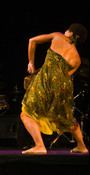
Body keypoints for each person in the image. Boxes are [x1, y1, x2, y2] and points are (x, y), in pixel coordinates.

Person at [21, 23, 88, 154]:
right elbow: (66, 76)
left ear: (70, 34)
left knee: (26, 113)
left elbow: (32, 41)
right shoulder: (77, 59)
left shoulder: (58, 36)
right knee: (66, 117)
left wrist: (31, 62)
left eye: (67, 30)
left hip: (48, 81)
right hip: (64, 86)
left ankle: (39, 146)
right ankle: (82, 146)